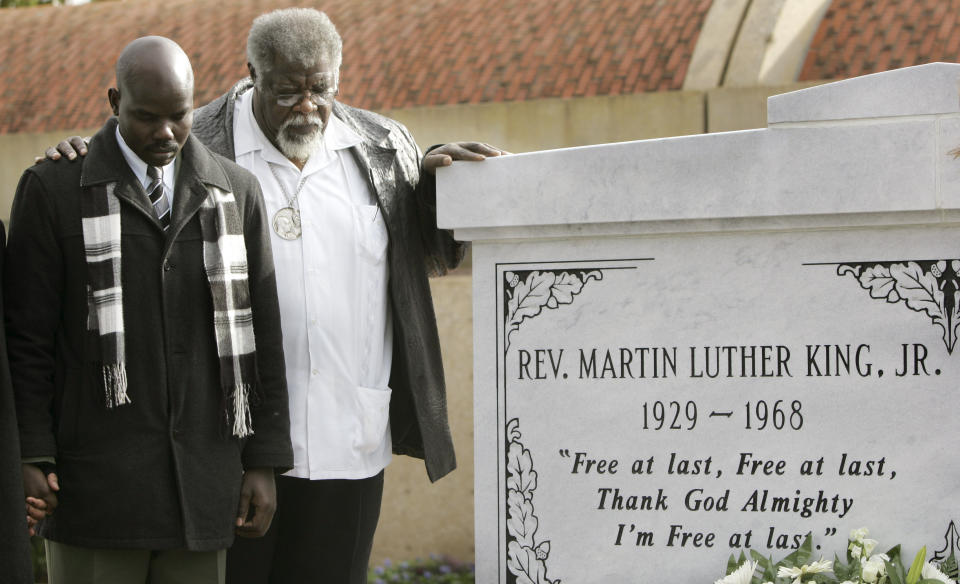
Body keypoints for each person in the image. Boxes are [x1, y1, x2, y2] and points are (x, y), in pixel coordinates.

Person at [47, 8, 504, 583]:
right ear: (251, 76)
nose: (306, 106)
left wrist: (441, 192)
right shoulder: (200, 144)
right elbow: (127, 166)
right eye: (287, 91)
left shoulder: (385, 147)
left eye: (321, 90)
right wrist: (80, 149)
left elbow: (433, 258)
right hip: (230, 445)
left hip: (350, 437)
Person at [9, 36, 292, 583]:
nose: (165, 133)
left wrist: (264, 460)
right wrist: (30, 454)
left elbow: (265, 337)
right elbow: (27, 340)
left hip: (203, 486)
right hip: (96, 489)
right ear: (114, 102)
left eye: (178, 116)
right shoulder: (54, 189)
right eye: (146, 117)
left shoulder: (236, 192)